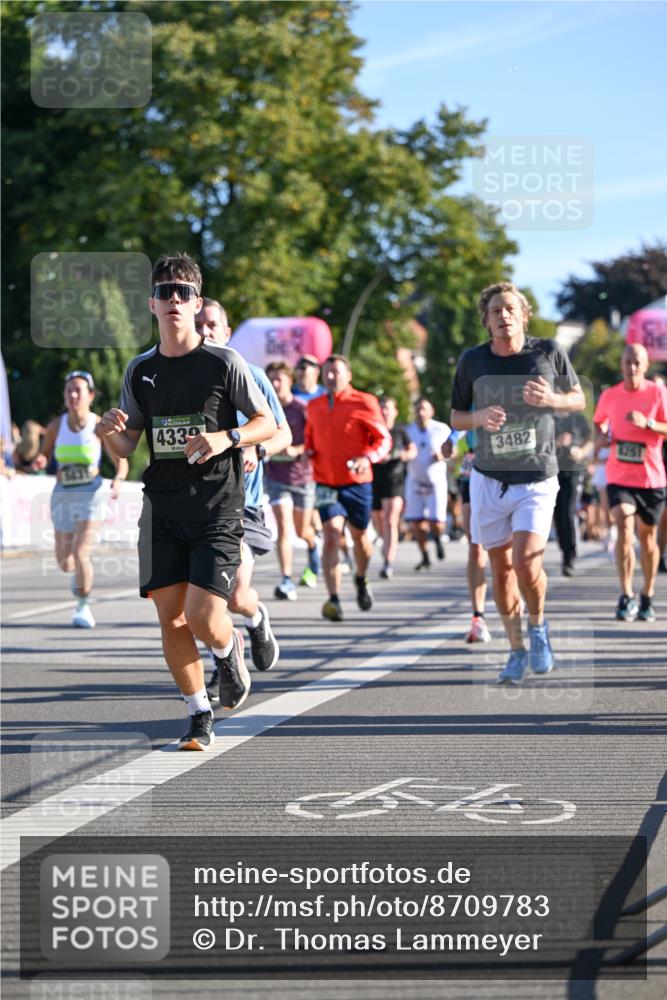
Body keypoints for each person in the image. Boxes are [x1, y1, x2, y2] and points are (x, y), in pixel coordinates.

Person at [99, 254, 276, 751]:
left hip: (216, 507)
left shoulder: (223, 363)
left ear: (197, 304)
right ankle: (199, 713)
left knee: (202, 616)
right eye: (165, 291)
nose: (174, 299)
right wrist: (107, 435)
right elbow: (127, 445)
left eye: (183, 292)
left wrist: (228, 438)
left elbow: (269, 425)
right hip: (161, 510)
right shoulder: (141, 370)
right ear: (152, 303)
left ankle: (229, 648)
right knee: (170, 618)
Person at [451, 281, 586, 685]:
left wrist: (553, 401)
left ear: (524, 314)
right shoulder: (472, 360)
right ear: (487, 320)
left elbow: (578, 398)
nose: (503, 316)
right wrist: (478, 418)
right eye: (496, 311)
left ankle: (539, 626)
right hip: (489, 478)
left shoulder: (548, 352)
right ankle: (515, 650)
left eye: (510, 309)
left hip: (537, 476)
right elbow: (457, 415)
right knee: (502, 571)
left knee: (528, 564)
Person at [194, 297, 290, 700]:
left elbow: (283, 434)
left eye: (212, 324)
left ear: (227, 333)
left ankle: (255, 617)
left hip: (242, 506)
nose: (204, 331)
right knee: (199, 596)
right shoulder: (176, 380)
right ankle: (225, 659)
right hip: (194, 504)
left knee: (234, 595)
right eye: (198, 324)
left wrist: (256, 448)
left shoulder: (250, 375)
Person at [32, 372, 128, 628]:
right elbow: (44, 455)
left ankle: (83, 607)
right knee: (65, 561)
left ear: (91, 396)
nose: (73, 395)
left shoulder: (98, 426)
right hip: (63, 492)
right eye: (69, 391)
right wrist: (41, 461)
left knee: (80, 551)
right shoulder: (55, 426)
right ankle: (78, 578)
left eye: (79, 390)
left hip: (92, 493)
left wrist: (118, 479)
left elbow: (121, 460)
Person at [304, 354, 391, 621]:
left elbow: (383, 440)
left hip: (357, 483)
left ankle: (361, 579)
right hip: (326, 482)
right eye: (326, 372)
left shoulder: (364, 402)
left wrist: (368, 458)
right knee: (330, 534)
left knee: (360, 538)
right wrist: (308, 450)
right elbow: (310, 436)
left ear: (348, 375)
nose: (330, 377)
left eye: (336, 372)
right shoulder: (315, 405)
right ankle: (333, 599)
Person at [593, 344, 667, 621]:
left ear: (645, 365)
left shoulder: (658, 393)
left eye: (637, 362)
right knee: (623, 524)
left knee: (648, 539)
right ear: (621, 365)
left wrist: (648, 424)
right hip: (619, 476)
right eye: (627, 362)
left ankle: (647, 595)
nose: (632, 368)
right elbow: (598, 422)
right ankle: (626, 595)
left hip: (651, 478)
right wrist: (600, 437)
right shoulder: (610, 395)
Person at [264, 361, 321, 598]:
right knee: (284, 527)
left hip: (303, 477)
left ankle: (313, 544)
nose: (276, 384)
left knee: (301, 530)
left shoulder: (302, 408)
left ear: (290, 381)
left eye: (280, 379)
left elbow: (316, 440)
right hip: (276, 476)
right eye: (271, 379)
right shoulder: (262, 409)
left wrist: (297, 450)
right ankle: (286, 579)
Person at [404, 397, 457, 571]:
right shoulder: (408, 430)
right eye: (418, 409)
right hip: (415, 482)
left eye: (424, 409)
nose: (420, 413)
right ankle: (425, 555)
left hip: (435, 483)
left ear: (431, 411)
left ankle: (438, 537)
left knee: (437, 522)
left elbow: (454, 451)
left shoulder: (441, 429)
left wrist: (442, 456)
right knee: (417, 523)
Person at [372, 396, 416, 579]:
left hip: (395, 479)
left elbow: (413, 450)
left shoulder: (400, 431)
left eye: (388, 408)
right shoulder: (372, 429)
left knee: (391, 520)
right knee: (379, 521)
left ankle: (388, 563)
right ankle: (385, 543)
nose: (384, 411)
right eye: (382, 407)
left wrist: (400, 454)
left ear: (395, 411)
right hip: (375, 479)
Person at [457, 432, 492, 643]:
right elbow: (457, 422)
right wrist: (450, 442)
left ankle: (514, 597)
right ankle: (478, 617)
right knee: (475, 545)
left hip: (505, 467)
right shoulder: (468, 397)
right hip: (472, 467)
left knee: (508, 549)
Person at [553, 412, 593, 576]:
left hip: (574, 471)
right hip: (552, 471)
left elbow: (590, 439)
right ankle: (564, 550)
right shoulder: (547, 416)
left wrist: (582, 452)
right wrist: (556, 443)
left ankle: (570, 555)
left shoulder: (578, 417)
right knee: (558, 514)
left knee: (568, 512)